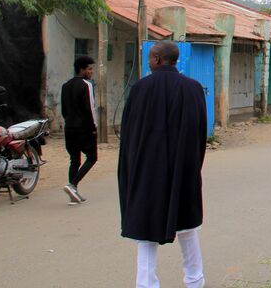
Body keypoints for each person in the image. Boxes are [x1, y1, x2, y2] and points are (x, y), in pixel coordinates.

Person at [118, 41, 207, 288]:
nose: (149, 61)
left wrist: (132, 169)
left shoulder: (140, 89)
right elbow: (200, 133)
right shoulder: (193, 88)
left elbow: (129, 135)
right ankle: (194, 280)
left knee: (146, 231)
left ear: (157, 58)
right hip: (184, 168)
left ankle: (146, 284)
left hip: (148, 170)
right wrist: (192, 166)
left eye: (150, 57)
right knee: (187, 227)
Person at [60, 56, 97, 204]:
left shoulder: (65, 85)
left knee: (74, 160)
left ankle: (73, 194)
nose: (91, 72)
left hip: (69, 127)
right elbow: (90, 108)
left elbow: (63, 110)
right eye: (89, 69)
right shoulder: (86, 85)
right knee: (92, 157)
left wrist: (69, 120)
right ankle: (72, 185)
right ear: (81, 70)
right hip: (84, 128)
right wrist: (94, 127)